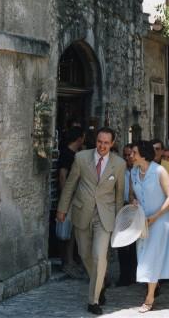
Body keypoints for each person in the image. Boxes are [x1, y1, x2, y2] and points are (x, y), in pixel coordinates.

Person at [56, 127, 126, 315]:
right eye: (99, 142)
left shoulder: (119, 164)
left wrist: (119, 220)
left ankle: (93, 300)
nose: (102, 146)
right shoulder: (81, 158)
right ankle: (100, 281)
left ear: (112, 144)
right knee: (85, 254)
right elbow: (70, 184)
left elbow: (119, 195)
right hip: (82, 212)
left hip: (105, 217)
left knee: (99, 255)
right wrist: (62, 208)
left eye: (106, 143)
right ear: (96, 141)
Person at [129, 140, 169, 313]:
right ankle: (152, 289)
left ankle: (149, 297)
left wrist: (155, 216)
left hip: (159, 221)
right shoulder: (134, 171)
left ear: (143, 154)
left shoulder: (159, 171)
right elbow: (132, 193)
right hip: (142, 221)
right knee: (142, 256)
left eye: (134, 152)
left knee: (151, 258)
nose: (131, 156)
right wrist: (133, 201)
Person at [57, 126, 86, 278]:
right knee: (66, 232)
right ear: (79, 138)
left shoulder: (76, 155)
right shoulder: (68, 154)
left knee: (72, 231)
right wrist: (65, 199)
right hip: (69, 199)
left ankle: (71, 261)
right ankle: (66, 263)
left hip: (76, 199)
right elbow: (63, 176)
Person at [151, 139, 169, 264]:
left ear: (162, 151)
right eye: (153, 149)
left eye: (158, 149)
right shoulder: (146, 166)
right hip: (151, 211)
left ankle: (166, 272)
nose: (155, 152)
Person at [116, 144, 137, 287]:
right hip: (122, 208)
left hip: (135, 209)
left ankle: (133, 273)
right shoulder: (120, 171)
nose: (127, 157)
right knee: (121, 244)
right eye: (125, 155)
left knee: (134, 244)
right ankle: (124, 275)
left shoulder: (139, 171)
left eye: (130, 154)